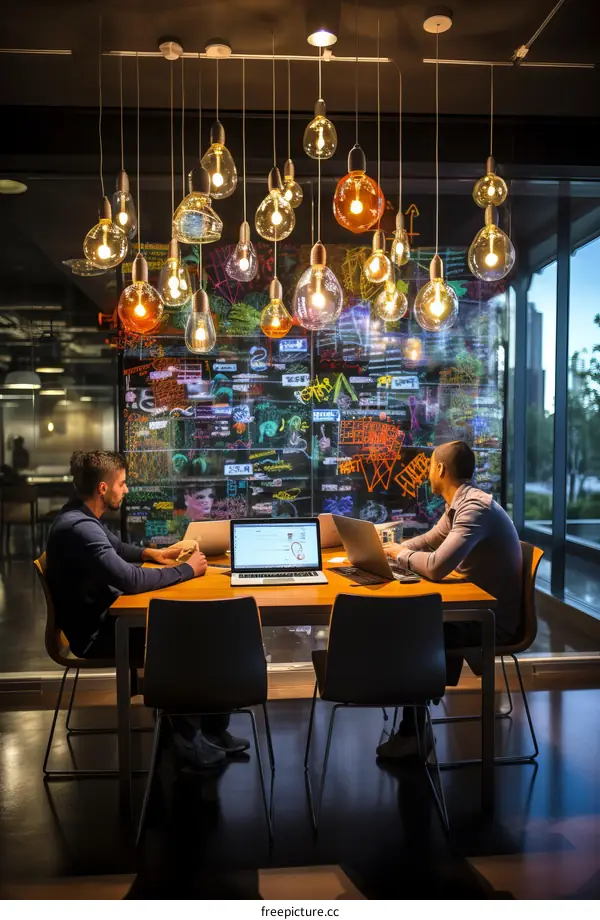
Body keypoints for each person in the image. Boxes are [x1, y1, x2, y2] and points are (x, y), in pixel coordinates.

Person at [46, 450, 249, 768]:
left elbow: (116, 548)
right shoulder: (80, 528)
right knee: (193, 635)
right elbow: (130, 580)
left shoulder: (79, 516)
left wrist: (151, 554)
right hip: (97, 635)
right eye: (122, 484)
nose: (126, 490)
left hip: (103, 620)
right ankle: (184, 737)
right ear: (103, 488)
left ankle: (208, 729)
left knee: (199, 629)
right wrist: (187, 570)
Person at [376, 440, 522, 759]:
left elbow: (436, 566)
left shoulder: (474, 509)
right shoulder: (460, 504)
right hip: (475, 610)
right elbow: (428, 541)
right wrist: (386, 551)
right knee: (415, 625)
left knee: (417, 634)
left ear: (440, 469)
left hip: (492, 622)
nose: (427, 472)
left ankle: (414, 734)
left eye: (430, 465)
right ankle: (417, 722)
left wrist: (400, 555)